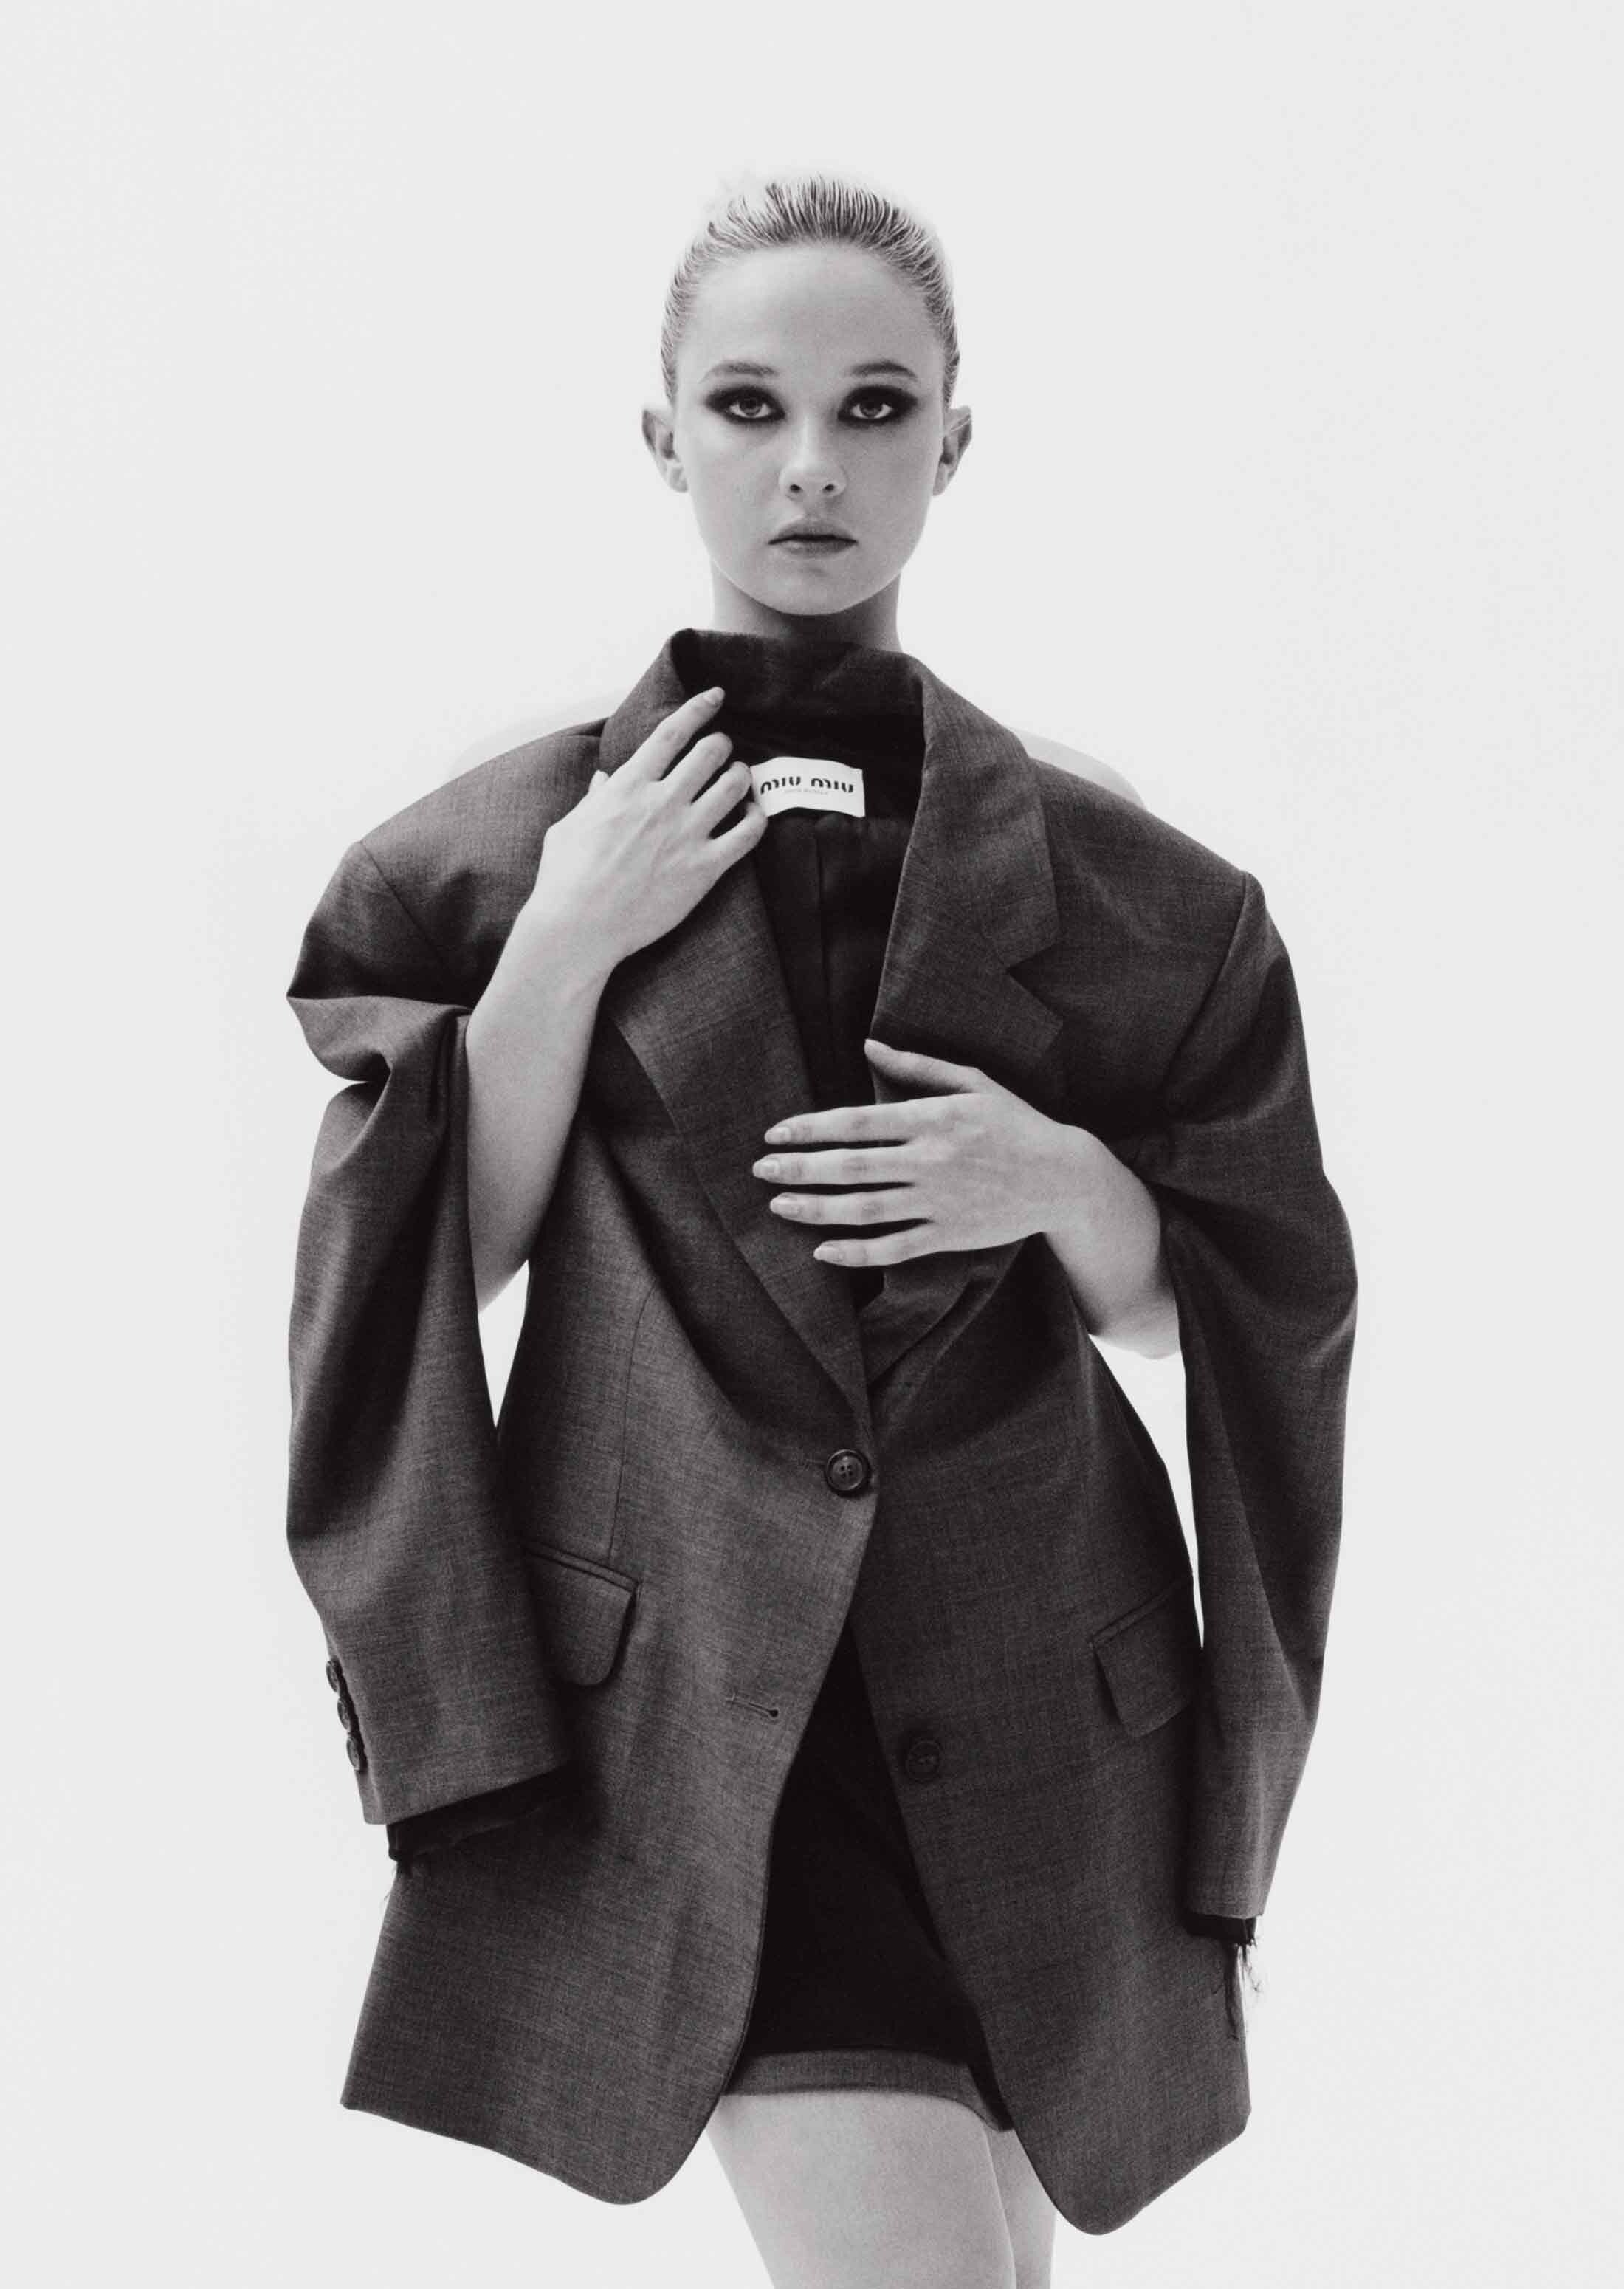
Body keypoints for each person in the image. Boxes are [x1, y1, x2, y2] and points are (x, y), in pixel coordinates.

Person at [285, 172, 1356, 2288]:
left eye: (874, 408)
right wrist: (565, 948)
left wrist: (1064, 1183)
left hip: (1043, 1716)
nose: (811, 466)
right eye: (750, 404)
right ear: (661, 433)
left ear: (954, 439)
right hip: (701, 1734)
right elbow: (431, 1271)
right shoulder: (503, 858)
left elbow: (1240, 1303)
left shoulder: (1110, 866)